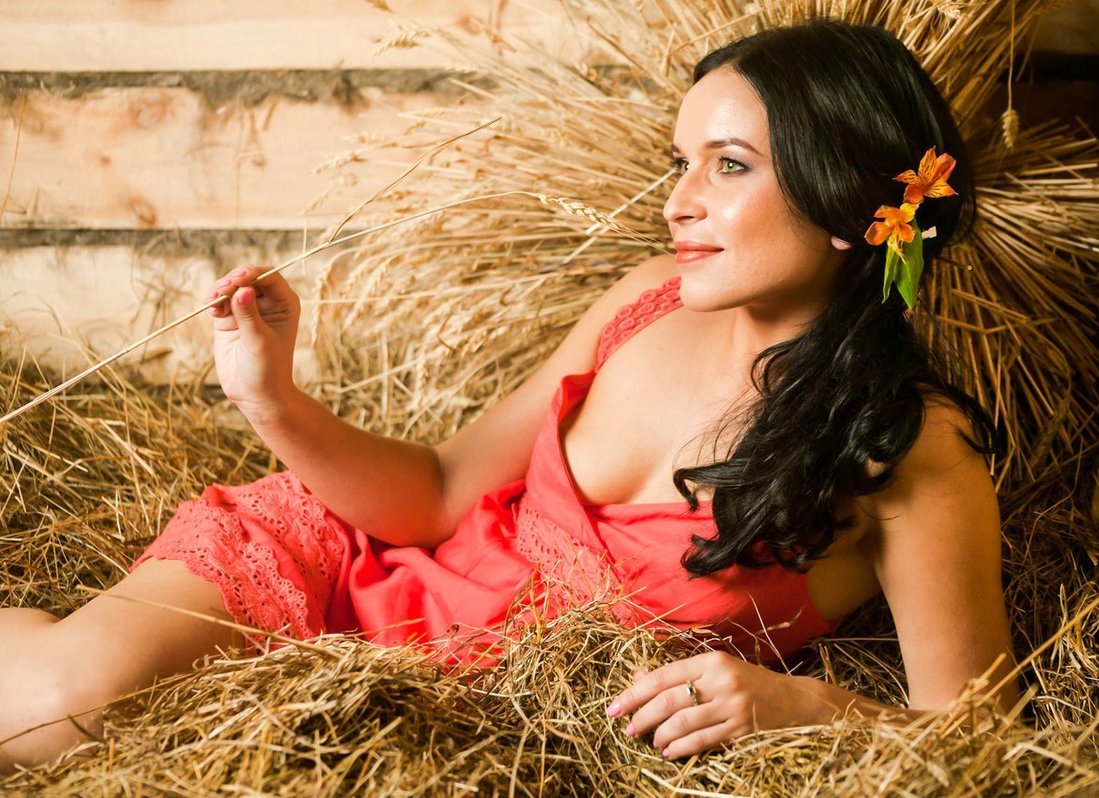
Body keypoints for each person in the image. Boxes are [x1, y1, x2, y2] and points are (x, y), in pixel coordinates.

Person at [0, 18, 1017, 772]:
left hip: (456, 722)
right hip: (347, 569)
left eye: (729, 166)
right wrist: (272, 399)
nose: (678, 202)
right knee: (51, 711)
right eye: (682, 163)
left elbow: (979, 729)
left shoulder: (906, 449)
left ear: (850, 201)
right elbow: (440, 492)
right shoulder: (646, 302)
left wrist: (797, 707)